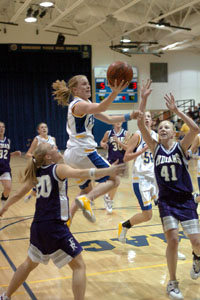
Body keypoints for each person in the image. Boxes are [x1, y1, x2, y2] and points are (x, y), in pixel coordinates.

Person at [0, 143, 125, 300]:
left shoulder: (37, 174)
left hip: (38, 226)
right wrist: (108, 171)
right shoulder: (58, 169)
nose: (56, 146)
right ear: (48, 156)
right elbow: (82, 172)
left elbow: (18, 194)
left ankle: (6, 296)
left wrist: (4, 208)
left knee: (29, 263)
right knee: (79, 266)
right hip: (55, 228)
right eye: (52, 147)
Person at [137, 81, 200, 299]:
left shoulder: (181, 147)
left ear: (173, 133)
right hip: (166, 202)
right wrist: (143, 99)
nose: (162, 129)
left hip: (185, 200)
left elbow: (195, 129)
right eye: (159, 127)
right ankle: (172, 282)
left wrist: (176, 111)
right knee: (172, 240)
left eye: (167, 127)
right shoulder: (154, 148)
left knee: (197, 243)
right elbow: (140, 124)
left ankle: (197, 258)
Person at [52, 75, 139, 222]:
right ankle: (88, 200)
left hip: (72, 154)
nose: (88, 87)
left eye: (88, 84)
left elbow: (109, 119)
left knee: (86, 189)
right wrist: (114, 92)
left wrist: (128, 116)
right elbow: (101, 107)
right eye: (84, 84)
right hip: (84, 152)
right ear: (75, 90)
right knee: (115, 179)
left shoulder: (85, 103)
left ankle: (66, 223)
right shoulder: (78, 104)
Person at [100, 122, 130, 213]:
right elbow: (102, 141)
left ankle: (108, 196)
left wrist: (118, 141)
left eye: (120, 120)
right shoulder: (108, 133)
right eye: (116, 120)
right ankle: (109, 201)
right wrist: (103, 144)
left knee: (115, 183)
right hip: (111, 161)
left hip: (122, 161)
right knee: (116, 180)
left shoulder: (126, 133)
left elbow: (127, 148)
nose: (118, 122)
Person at [24, 122, 57, 202]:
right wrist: (37, 158)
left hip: (51, 165)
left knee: (52, 186)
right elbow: (28, 154)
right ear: (38, 130)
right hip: (41, 166)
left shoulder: (52, 139)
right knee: (43, 188)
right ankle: (32, 190)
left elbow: (55, 151)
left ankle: (33, 191)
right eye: (42, 127)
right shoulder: (37, 139)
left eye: (45, 127)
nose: (44, 128)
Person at [0, 121, 21, 207]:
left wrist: (14, 153)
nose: (1, 128)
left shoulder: (8, 140)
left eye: (3, 127)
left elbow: (6, 155)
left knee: (8, 188)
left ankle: (3, 198)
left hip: (5, 168)